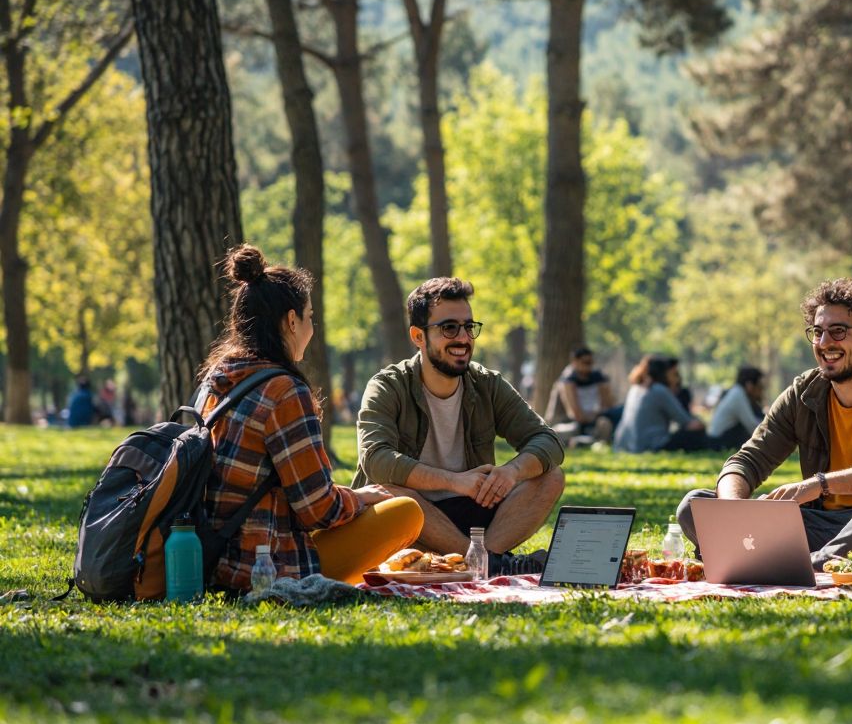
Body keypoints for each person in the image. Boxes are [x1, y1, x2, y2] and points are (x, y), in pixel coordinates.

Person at [675, 279, 852, 569]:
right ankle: (797, 561)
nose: (825, 342)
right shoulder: (804, 393)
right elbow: (748, 460)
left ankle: (810, 565)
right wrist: (732, 510)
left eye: (838, 332)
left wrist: (819, 485)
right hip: (822, 527)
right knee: (696, 505)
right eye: (818, 332)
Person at [199, 245, 424, 590]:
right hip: (260, 567)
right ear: (292, 321)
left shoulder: (219, 379)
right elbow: (318, 510)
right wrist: (362, 498)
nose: (311, 327)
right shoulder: (284, 391)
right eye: (310, 317)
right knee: (406, 512)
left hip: (211, 558)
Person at [352, 277, 566, 575]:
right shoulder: (387, 386)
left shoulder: (487, 384)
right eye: (449, 328)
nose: (463, 338)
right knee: (395, 496)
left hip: (473, 514)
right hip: (413, 520)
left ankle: (480, 562)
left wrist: (511, 472)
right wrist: (454, 481)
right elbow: (376, 460)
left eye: (469, 327)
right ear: (418, 336)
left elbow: (547, 442)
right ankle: (492, 562)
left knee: (550, 477)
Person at [613, 355, 711, 452]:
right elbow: (687, 423)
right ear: (664, 373)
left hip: (624, 446)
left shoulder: (635, 388)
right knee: (697, 433)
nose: (677, 378)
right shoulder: (659, 390)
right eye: (674, 374)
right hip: (650, 446)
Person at [552, 346, 622, 439]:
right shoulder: (568, 380)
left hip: (598, 417)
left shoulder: (598, 377)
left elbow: (609, 404)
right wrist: (593, 415)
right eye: (586, 363)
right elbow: (576, 414)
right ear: (575, 362)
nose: (589, 366)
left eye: (591, 362)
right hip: (576, 423)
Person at [708, 366, 766, 449]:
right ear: (749, 385)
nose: (761, 390)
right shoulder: (738, 395)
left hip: (720, 438)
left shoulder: (737, 392)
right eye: (759, 386)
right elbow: (752, 426)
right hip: (719, 442)